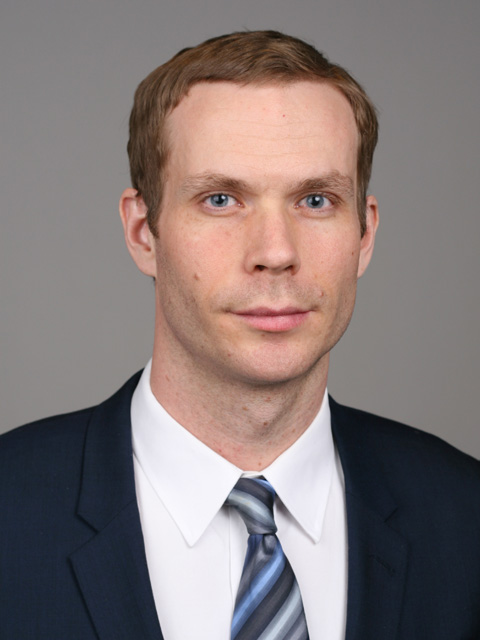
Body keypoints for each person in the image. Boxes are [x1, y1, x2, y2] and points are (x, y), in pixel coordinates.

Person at [1, 30, 479, 640]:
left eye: (315, 200)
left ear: (364, 236)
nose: (275, 253)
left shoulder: (465, 516)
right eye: (222, 199)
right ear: (144, 233)